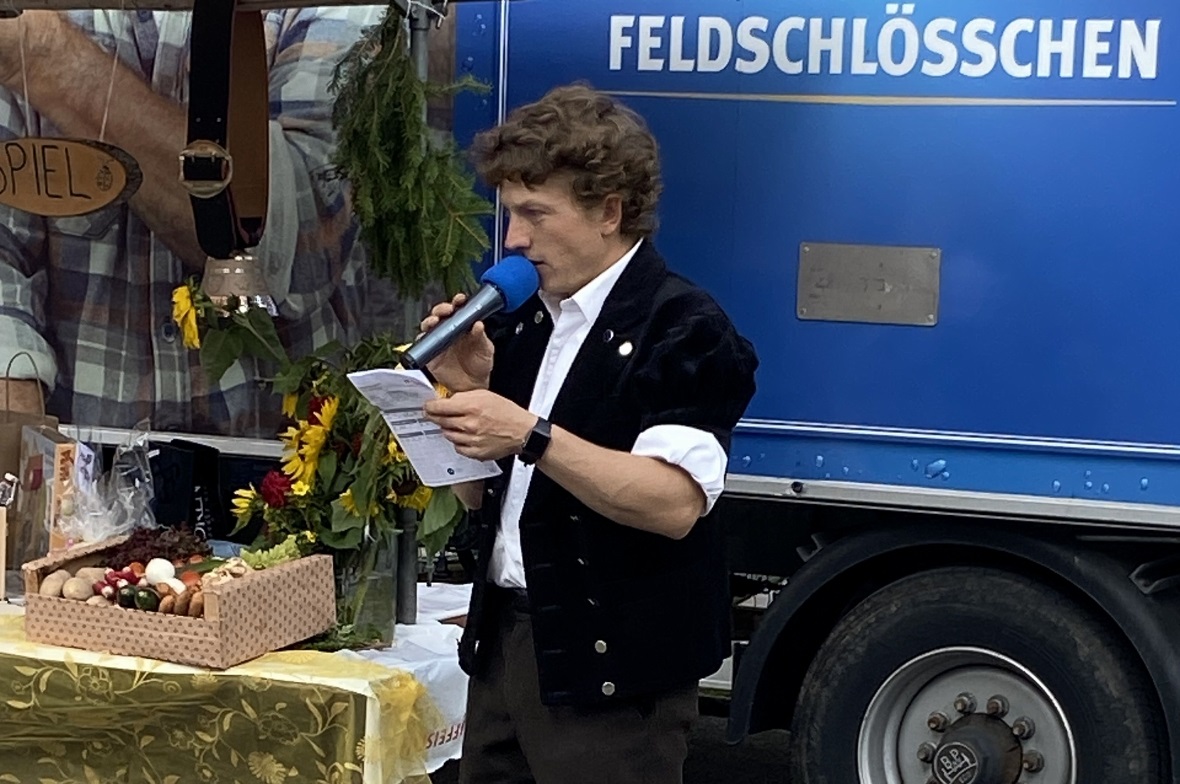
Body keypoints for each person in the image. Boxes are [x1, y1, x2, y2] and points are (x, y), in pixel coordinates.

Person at [420, 84, 759, 784]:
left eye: (536, 215)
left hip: (613, 670)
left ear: (610, 212)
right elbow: (490, 501)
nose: (514, 239)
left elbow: (671, 506)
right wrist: (468, 394)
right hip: (503, 644)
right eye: (511, 213)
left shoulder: (685, 327)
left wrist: (531, 433)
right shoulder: (523, 323)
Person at [0, 7, 385, 437]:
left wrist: (44, 53)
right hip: (83, 465)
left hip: (278, 468)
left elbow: (302, 247)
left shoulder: (331, 7)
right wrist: (16, 412)